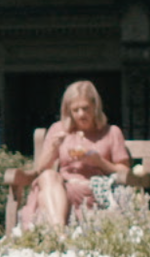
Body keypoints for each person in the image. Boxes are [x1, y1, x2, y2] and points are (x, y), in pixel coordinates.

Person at [7, 80, 131, 230]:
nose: (81, 114)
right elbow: (40, 169)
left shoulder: (111, 132)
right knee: (47, 177)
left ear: (95, 107)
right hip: (61, 188)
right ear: (68, 111)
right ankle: (60, 232)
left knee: (44, 196)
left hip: (91, 190)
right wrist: (54, 147)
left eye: (85, 108)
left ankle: (55, 236)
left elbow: (125, 171)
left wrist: (100, 162)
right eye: (75, 110)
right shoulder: (59, 129)